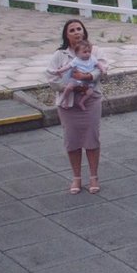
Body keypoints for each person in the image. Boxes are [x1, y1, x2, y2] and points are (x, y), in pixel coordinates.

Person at [47, 19, 107, 194]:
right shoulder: (60, 55)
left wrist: (87, 78)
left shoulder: (94, 50)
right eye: (72, 30)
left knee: (92, 137)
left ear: (84, 31)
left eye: (79, 29)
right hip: (68, 103)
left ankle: (94, 176)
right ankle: (76, 177)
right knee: (72, 140)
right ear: (67, 34)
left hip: (90, 100)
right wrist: (69, 87)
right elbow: (51, 78)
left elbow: (103, 68)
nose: (76, 32)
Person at [56, 37, 103, 111]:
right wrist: (60, 70)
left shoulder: (92, 58)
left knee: (89, 92)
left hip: (87, 81)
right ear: (77, 53)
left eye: (89, 52)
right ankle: (64, 99)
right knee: (69, 87)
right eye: (84, 52)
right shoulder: (76, 60)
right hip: (76, 79)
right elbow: (68, 67)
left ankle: (81, 102)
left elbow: (98, 64)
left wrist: (103, 69)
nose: (87, 54)